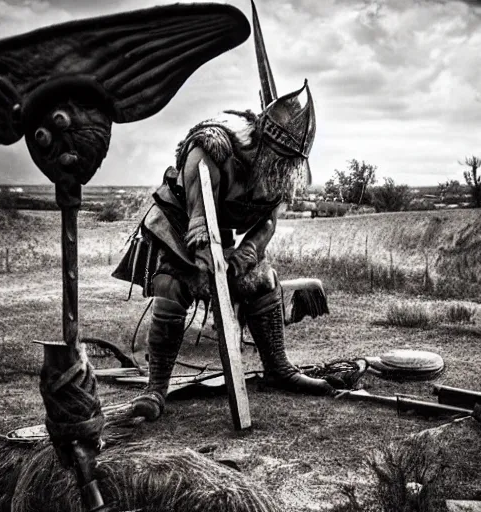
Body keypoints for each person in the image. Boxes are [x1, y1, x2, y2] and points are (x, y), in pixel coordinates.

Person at [112, 4, 338, 422]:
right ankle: (155, 390)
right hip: (183, 221)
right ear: (268, 143)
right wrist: (204, 243)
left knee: (261, 281)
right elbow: (199, 187)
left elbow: (268, 220)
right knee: (175, 285)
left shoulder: (283, 171)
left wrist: (245, 255)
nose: (286, 170)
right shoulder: (219, 144)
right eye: (283, 160)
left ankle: (277, 369)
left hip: (228, 232)